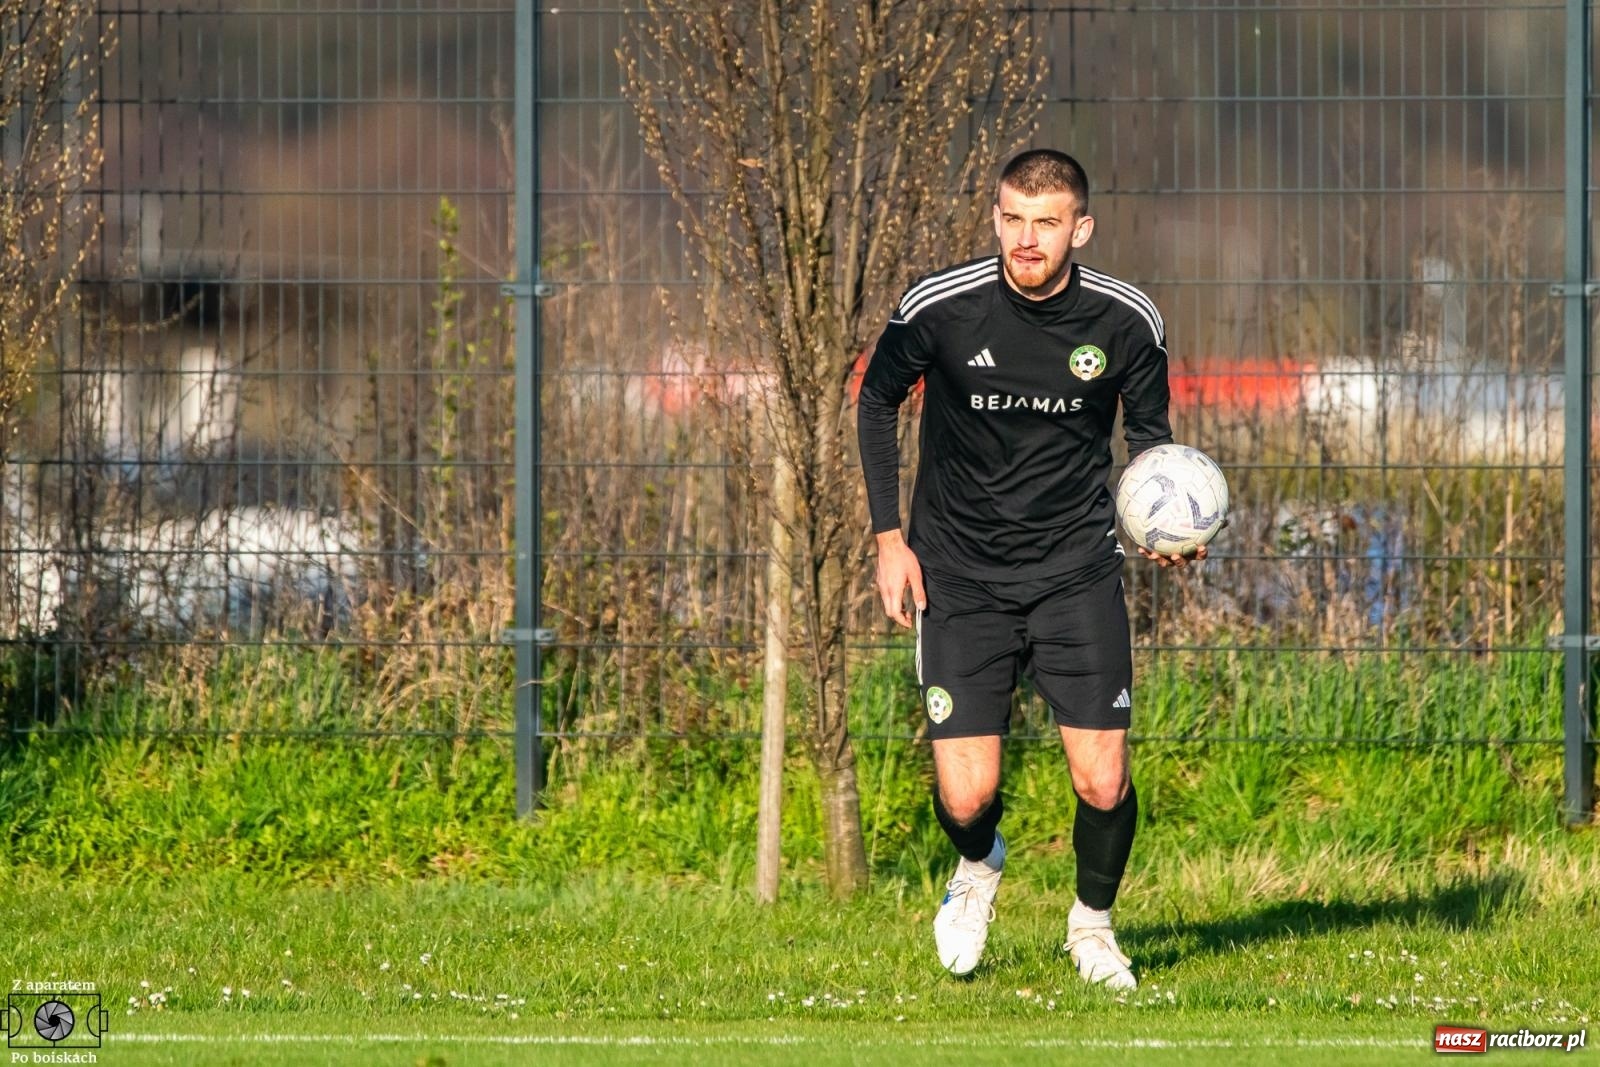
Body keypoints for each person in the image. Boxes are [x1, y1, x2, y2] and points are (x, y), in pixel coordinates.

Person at [855, 149, 1204, 989]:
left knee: (1103, 776)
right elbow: (874, 400)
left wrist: (1165, 526)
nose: (1025, 238)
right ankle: (978, 867)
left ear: (1080, 229)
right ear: (996, 218)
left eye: (1046, 223)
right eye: (1012, 218)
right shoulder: (941, 307)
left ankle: (1092, 927)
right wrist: (888, 539)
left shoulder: (1126, 321)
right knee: (967, 797)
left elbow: (1151, 447)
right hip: (957, 575)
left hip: (1073, 571)